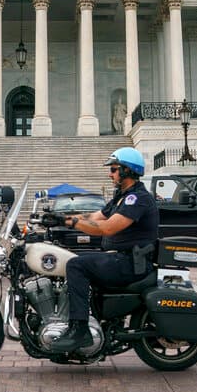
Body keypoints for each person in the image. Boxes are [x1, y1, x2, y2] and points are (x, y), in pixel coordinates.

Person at [45, 146, 159, 353]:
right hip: (121, 259)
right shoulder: (121, 196)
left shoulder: (137, 198)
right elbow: (95, 216)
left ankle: (80, 330)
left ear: (127, 170)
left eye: (114, 169)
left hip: (131, 263)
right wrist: (61, 218)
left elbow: (107, 228)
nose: (110, 174)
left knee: (76, 265)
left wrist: (71, 222)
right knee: (74, 257)